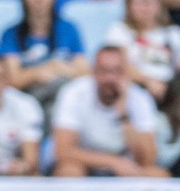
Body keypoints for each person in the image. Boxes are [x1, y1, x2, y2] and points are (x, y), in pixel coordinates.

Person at [52, 45, 169, 177]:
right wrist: (112, 162)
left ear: (127, 73)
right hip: (87, 165)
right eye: (104, 71)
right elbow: (62, 151)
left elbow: (148, 159)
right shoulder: (74, 92)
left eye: (116, 71)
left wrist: (124, 115)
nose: (110, 78)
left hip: (126, 170)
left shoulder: (140, 99)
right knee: (69, 171)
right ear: (94, 71)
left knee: (158, 175)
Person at [0, 0, 90, 110]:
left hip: (62, 100)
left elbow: (84, 73)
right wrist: (40, 71)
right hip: (28, 101)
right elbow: (13, 79)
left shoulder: (69, 29)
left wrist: (59, 67)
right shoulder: (11, 34)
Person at [104, 0, 180, 102]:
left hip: (170, 91)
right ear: (128, 5)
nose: (145, 6)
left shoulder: (175, 34)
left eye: (150, 0)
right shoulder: (119, 30)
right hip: (134, 89)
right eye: (139, 0)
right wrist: (148, 82)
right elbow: (117, 65)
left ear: (161, 4)